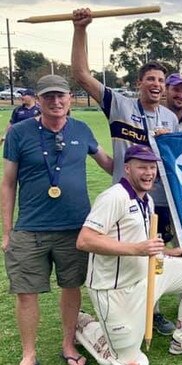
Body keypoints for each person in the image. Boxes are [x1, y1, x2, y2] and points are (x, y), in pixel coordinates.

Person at [72, 8, 180, 335]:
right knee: (126, 259)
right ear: (139, 83)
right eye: (151, 79)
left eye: (161, 80)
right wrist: (81, 29)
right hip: (127, 200)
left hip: (162, 201)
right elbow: (80, 74)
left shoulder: (172, 119)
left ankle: (154, 309)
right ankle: (118, 314)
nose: (157, 85)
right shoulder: (120, 104)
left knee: (155, 257)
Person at [76, 145, 182, 364]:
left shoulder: (147, 199)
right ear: (127, 168)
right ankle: (84, 324)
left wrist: (167, 251)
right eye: (142, 167)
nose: (149, 173)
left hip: (146, 274)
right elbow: (85, 240)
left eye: (152, 167)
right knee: (132, 361)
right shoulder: (114, 197)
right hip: (113, 288)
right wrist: (138, 250)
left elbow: (144, 242)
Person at [2, 74, 112, 365]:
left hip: (75, 229)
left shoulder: (82, 129)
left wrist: (146, 158)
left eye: (60, 95)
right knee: (26, 293)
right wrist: (6, 231)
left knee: (71, 287)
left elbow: (110, 166)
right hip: (30, 229)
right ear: (39, 100)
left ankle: (68, 345)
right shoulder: (19, 132)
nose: (55, 101)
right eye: (48, 96)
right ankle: (29, 355)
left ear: (69, 98)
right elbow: (8, 183)